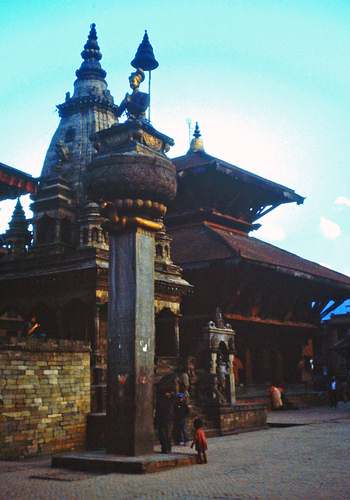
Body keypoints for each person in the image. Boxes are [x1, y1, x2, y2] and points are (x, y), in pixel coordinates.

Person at [155, 388, 175, 453]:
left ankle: (167, 448)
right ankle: (165, 448)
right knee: (163, 434)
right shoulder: (162, 401)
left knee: (166, 434)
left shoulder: (170, 400)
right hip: (164, 418)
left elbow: (179, 395)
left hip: (167, 418)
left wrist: (172, 394)